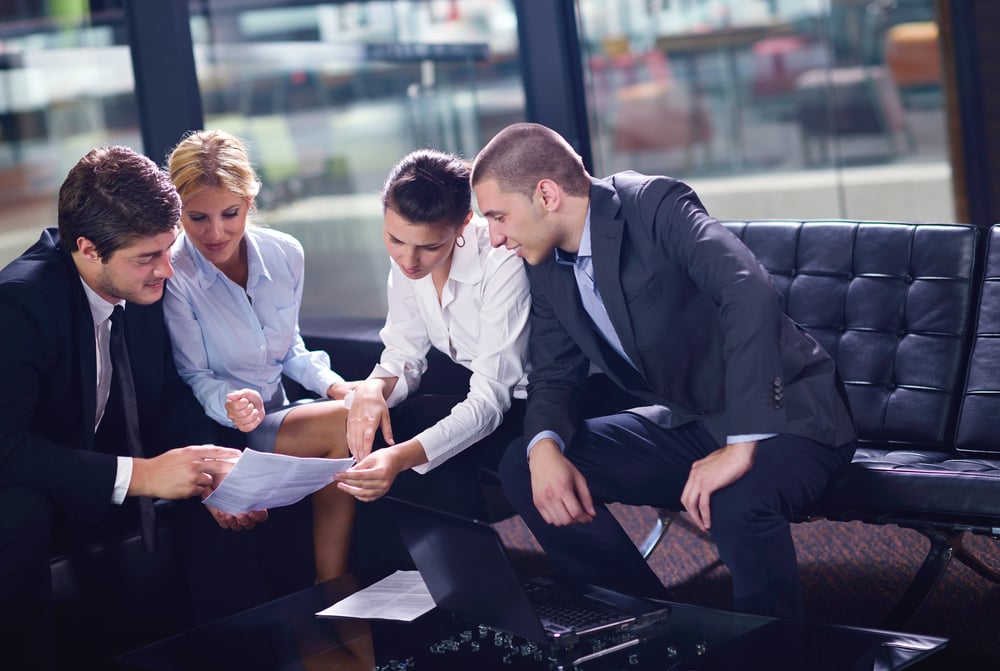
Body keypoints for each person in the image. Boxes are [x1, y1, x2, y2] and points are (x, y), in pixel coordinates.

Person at [470, 122, 857, 619]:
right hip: (691, 422)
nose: (495, 237)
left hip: (791, 418)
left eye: (498, 216)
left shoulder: (653, 204)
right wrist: (544, 447)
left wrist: (742, 441)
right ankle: (648, 624)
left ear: (545, 194)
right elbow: (553, 374)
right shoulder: (542, 261)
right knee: (524, 467)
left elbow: (748, 289)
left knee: (734, 502)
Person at [0, 145, 246, 669]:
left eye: (168, 250)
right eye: (147, 258)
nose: (168, 271)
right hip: (27, 481)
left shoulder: (135, 286)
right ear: (87, 248)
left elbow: (163, 400)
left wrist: (216, 470)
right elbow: (8, 450)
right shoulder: (19, 307)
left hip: (89, 469)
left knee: (222, 484)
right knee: (17, 512)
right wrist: (141, 476)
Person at [163, 129, 355, 582]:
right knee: (342, 422)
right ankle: (334, 585)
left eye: (230, 213)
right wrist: (231, 403)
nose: (216, 232)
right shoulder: (175, 273)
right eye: (197, 217)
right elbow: (194, 374)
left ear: (250, 201)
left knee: (355, 409)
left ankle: (336, 585)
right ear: (177, 211)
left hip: (280, 417)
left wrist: (336, 384)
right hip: (221, 430)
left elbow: (290, 348)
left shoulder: (286, 253)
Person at [333, 148, 530, 518]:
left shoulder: (502, 262)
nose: (408, 260)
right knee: (383, 425)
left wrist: (399, 458)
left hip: (537, 402)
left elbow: (490, 401)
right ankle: (422, 567)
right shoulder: (409, 265)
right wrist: (373, 389)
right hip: (483, 390)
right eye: (394, 240)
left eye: (429, 246)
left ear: (464, 223)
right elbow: (402, 354)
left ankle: (462, 563)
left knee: (405, 438)